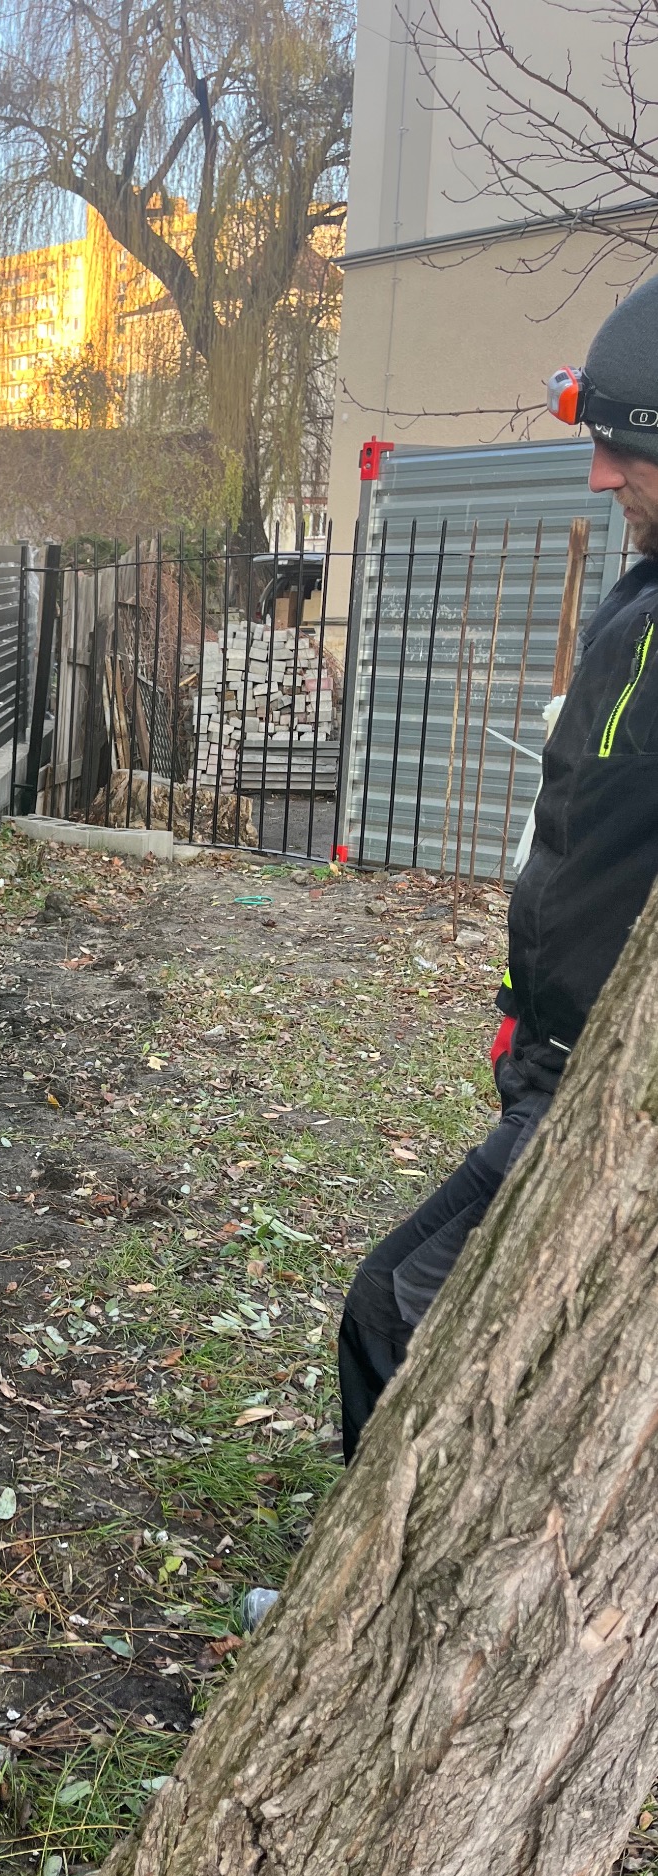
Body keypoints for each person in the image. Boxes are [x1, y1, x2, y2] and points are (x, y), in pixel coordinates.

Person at [339, 276, 658, 1461]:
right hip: (558, 1056)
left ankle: (397, 1558)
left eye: (627, 448)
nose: (600, 476)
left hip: (593, 1086)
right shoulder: (644, 593)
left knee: (393, 1308)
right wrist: (527, 1011)